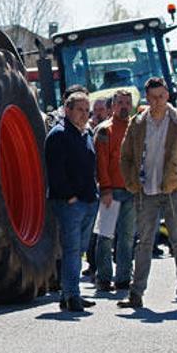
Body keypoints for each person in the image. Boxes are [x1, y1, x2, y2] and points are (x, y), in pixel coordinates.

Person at [117, 77, 177, 310]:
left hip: (172, 190)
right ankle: (136, 294)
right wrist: (132, 183)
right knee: (143, 243)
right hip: (145, 191)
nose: (158, 101)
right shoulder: (137, 123)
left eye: (162, 96)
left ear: (168, 96)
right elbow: (125, 157)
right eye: (153, 97)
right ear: (147, 98)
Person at [46, 91, 99, 312]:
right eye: (80, 109)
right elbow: (55, 172)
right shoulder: (58, 135)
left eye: (87, 110)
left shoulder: (85, 134)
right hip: (69, 203)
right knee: (71, 250)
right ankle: (72, 296)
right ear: (67, 110)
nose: (84, 115)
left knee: (79, 251)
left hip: (88, 201)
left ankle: (69, 293)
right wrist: (70, 196)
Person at [93, 89, 135, 292]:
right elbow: (101, 163)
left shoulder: (137, 128)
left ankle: (124, 277)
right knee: (105, 236)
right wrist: (105, 188)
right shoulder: (104, 131)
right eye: (120, 103)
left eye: (127, 102)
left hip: (133, 191)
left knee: (127, 237)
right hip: (111, 191)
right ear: (113, 106)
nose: (124, 106)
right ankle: (103, 277)